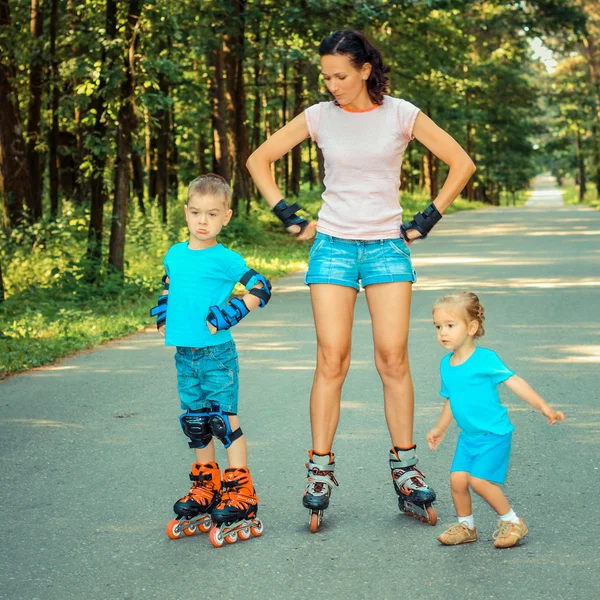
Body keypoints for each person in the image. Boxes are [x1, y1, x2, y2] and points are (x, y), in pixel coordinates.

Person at [246, 29, 476, 530]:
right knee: (332, 358)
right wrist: (287, 212)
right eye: (326, 75)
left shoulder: (401, 114)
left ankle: (406, 470)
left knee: (393, 358)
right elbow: (257, 160)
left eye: (341, 76)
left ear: (366, 70)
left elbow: (461, 163)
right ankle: (319, 472)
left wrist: (426, 219)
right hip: (331, 246)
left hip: (387, 248)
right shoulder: (318, 117)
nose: (332, 84)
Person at [151, 174, 270, 547]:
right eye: (197, 213)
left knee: (222, 421)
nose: (203, 221)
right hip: (184, 354)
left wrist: (233, 311)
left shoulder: (225, 258)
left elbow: (260, 287)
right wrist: (164, 310)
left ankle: (241, 491)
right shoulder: (174, 253)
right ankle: (206, 487)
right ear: (186, 212)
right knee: (195, 423)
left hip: (217, 355)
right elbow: (171, 282)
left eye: (212, 214)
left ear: (227, 217)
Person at [427, 292, 565, 548]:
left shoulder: (486, 359)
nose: (442, 333)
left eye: (450, 325)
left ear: (471, 327)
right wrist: (440, 427)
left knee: (477, 481)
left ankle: (512, 521)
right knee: (457, 480)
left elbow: (515, 382)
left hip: (494, 434)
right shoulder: (446, 364)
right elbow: (451, 399)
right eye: (438, 327)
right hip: (469, 437)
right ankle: (466, 526)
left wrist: (543, 406)